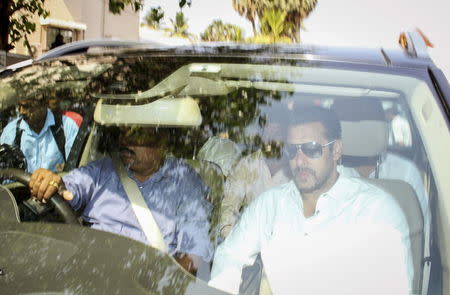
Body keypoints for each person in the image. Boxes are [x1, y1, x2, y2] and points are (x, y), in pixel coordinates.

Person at [209, 106, 412, 294]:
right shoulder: (268, 205)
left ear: (336, 150)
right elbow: (229, 260)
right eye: (291, 150)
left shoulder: (376, 211)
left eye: (311, 149)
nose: (299, 160)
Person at [29, 126, 213, 275]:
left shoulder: (184, 180)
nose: (125, 142)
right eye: (123, 132)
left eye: (137, 134)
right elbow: (68, 187)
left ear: (161, 140)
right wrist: (53, 183)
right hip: (86, 271)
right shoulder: (102, 170)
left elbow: (195, 252)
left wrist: (163, 280)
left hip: (142, 281)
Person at [217, 104, 291, 238]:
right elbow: (228, 209)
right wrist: (234, 241)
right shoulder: (246, 166)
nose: (269, 139)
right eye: (266, 132)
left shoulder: (296, 169)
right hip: (248, 244)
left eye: (276, 133)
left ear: (286, 136)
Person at [0, 96, 79, 173]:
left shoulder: (66, 127)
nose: (21, 112)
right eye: (19, 106)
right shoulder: (11, 131)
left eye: (26, 106)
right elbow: (5, 173)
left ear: (43, 103)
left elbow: (75, 170)